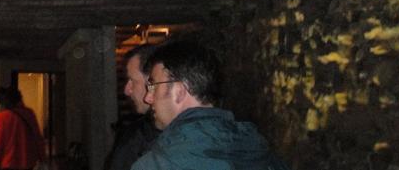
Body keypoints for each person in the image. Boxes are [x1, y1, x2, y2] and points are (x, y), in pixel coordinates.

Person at [132, 41, 289, 170]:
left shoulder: (156, 165)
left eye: (153, 86)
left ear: (179, 92)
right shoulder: (265, 156)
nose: (148, 98)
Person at [105, 44, 160, 170]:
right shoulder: (135, 136)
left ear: (152, 81)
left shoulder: (135, 139)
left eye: (132, 81)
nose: (126, 90)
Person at [0, 87, 46, 170]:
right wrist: (42, 157)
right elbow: (37, 136)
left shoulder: (4, 116)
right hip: (28, 161)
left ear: (7, 100)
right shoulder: (29, 113)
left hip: (9, 162)